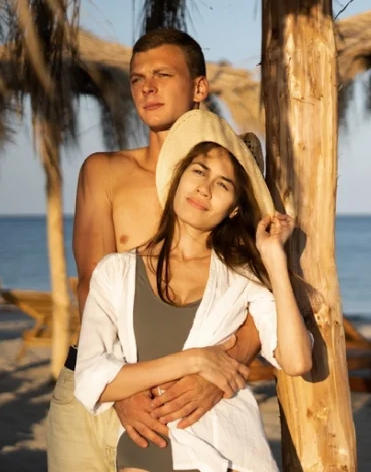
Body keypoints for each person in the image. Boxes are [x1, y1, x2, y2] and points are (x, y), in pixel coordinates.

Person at [47, 28, 263, 472]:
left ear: (199, 87)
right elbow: (91, 284)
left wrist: (221, 371)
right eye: (136, 78)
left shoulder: (223, 187)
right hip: (97, 386)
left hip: (181, 400)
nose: (147, 87)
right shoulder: (104, 171)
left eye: (163, 74)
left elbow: (261, 292)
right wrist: (122, 392)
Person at [74, 110, 312, 472]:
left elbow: (297, 360)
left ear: (233, 210)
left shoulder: (242, 276)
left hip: (228, 451)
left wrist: (273, 258)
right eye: (199, 171)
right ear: (178, 179)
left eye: (223, 184)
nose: (205, 188)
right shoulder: (115, 272)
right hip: (146, 451)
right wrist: (194, 360)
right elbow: (91, 378)